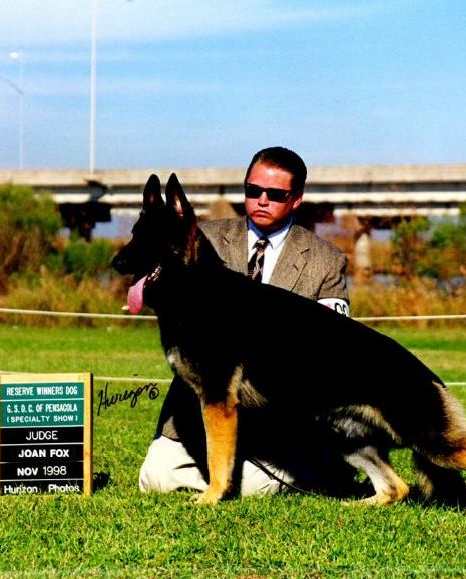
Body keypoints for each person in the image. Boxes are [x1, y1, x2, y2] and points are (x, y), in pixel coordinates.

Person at [139, 146, 352, 496]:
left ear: (296, 199)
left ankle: (286, 469)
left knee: (256, 487)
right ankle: (229, 470)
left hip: (278, 419)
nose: (262, 200)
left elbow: (331, 346)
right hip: (201, 414)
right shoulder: (199, 238)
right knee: (157, 480)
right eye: (253, 191)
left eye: (275, 194)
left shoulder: (326, 261)